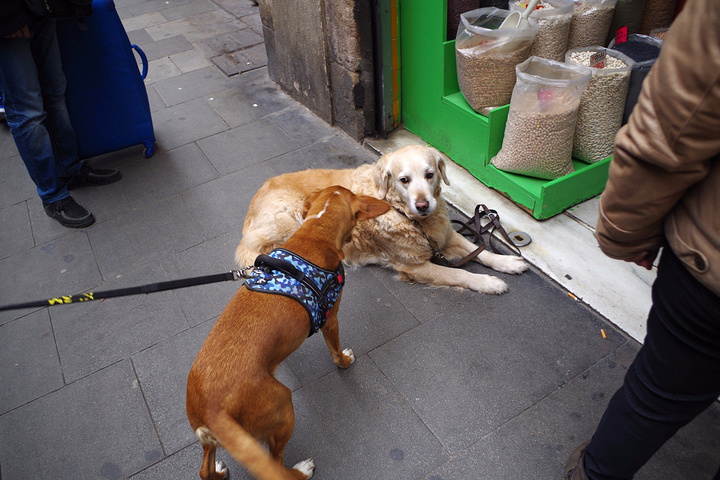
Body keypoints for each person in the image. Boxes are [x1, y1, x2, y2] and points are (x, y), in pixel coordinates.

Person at [564, 0, 720, 478]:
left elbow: (670, 134)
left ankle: (597, 474)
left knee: (656, 395)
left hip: (710, 270)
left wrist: (623, 232)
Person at [0, 0, 121, 228]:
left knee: (55, 93)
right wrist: (6, 16)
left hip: (41, 8)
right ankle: (53, 197)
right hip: (8, 15)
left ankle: (69, 171)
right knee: (27, 113)